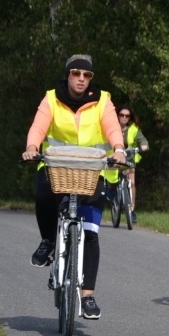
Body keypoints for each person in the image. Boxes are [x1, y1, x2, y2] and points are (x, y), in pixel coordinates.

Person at [22, 54, 126, 319]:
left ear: (91, 78)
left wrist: (119, 149)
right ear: (68, 75)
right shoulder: (51, 98)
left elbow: (113, 128)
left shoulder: (103, 100)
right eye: (76, 73)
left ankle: (88, 296)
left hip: (92, 174)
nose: (81, 79)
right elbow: (38, 127)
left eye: (86, 75)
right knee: (43, 192)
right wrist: (32, 147)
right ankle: (48, 241)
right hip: (57, 169)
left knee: (91, 233)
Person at [116, 104, 149, 223]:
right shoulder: (112, 127)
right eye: (122, 115)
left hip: (129, 157)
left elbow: (143, 140)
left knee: (132, 181)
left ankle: (132, 209)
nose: (124, 118)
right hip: (115, 157)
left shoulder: (133, 129)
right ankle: (114, 199)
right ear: (118, 115)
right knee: (109, 179)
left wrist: (144, 146)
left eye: (127, 116)